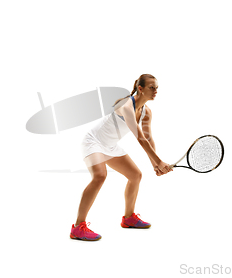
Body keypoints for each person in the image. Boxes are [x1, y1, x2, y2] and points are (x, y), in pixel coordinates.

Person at [70, 74, 172, 241]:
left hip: (110, 146)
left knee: (135, 175)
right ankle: (77, 228)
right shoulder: (126, 106)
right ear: (140, 88)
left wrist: (155, 164)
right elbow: (139, 138)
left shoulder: (147, 113)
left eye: (157, 88)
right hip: (93, 142)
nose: (155, 91)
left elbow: (149, 138)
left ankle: (129, 218)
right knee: (100, 176)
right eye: (151, 87)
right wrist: (159, 162)